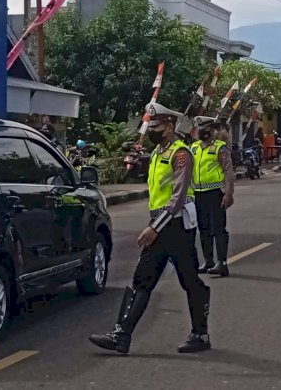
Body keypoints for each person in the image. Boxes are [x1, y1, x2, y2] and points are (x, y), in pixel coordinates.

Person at [89, 102, 211, 354]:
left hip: (176, 227)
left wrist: (154, 228)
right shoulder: (157, 152)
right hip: (160, 223)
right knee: (142, 280)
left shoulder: (181, 154)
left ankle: (200, 333)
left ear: (170, 125)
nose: (153, 130)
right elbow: (152, 183)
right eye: (151, 126)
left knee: (189, 281)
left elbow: (177, 199)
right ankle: (121, 335)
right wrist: (133, 163)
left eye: (157, 126)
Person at [193, 119, 235, 277]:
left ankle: (222, 263)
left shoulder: (219, 148)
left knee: (218, 228)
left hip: (215, 193)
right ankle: (208, 261)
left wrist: (229, 193)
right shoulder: (194, 148)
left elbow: (228, 171)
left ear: (212, 130)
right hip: (198, 193)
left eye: (204, 127)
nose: (200, 130)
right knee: (203, 228)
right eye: (199, 127)